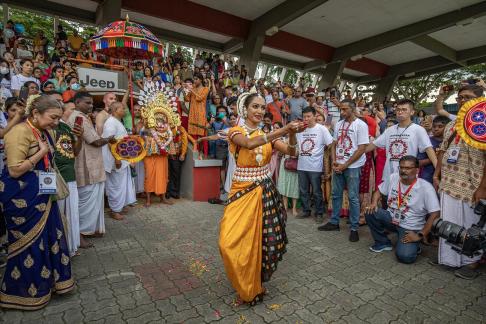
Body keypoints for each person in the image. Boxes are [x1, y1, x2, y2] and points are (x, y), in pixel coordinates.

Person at [219, 91, 305, 305]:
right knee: (228, 242)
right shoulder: (235, 131)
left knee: (260, 241)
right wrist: (282, 129)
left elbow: (292, 152)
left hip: (265, 191)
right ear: (245, 109)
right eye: (255, 107)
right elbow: (249, 145)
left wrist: (292, 133)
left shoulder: (268, 135)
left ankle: (253, 287)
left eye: (262, 107)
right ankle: (246, 283)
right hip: (242, 192)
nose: (259, 111)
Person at [0, 96, 74, 309]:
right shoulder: (18, 132)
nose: (56, 122)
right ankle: (21, 294)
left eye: (58, 118)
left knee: (49, 237)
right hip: (22, 197)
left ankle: (49, 283)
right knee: (28, 245)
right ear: (35, 114)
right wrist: (40, 153)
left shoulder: (44, 131)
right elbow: (14, 170)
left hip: (43, 194)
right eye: (53, 117)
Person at [434, 84, 486, 280]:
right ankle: (450, 260)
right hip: (449, 182)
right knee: (450, 223)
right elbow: (443, 150)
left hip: (472, 185)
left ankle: (471, 262)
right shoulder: (453, 124)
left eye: (467, 97)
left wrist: (483, 188)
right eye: (459, 98)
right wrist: (436, 175)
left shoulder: (483, 123)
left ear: (479, 99)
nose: (462, 101)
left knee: (472, 224)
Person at [365, 156, 440, 264]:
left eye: (408, 168)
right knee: (370, 211)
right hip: (391, 218)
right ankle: (383, 243)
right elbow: (379, 191)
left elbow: (435, 213)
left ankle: (414, 246)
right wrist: (373, 203)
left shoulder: (425, 187)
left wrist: (420, 235)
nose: (404, 170)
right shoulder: (393, 178)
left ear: (417, 170)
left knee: (405, 257)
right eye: (401, 167)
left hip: (410, 226)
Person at [68, 92, 115, 241]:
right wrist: (109, 139)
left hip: (90, 164)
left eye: (91, 103)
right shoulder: (78, 117)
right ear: (77, 102)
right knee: (86, 201)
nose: (91, 105)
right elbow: (94, 141)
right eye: (87, 103)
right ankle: (81, 233)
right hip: (87, 166)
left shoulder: (81, 116)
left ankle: (89, 230)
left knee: (92, 201)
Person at [319, 100, 369, 242]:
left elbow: (361, 149)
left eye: (345, 109)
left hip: (352, 166)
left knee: (353, 197)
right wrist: (335, 161)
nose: (342, 112)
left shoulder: (361, 125)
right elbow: (334, 144)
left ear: (353, 110)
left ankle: (354, 228)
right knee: (336, 194)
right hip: (339, 165)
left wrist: (345, 165)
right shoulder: (339, 124)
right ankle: (334, 222)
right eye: (341, 109)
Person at [365, 99, 437, 184]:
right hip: (389, 176)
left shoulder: (418, 130)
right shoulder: (389, 130)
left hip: (407, 176)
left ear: (412, 112)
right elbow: (373, 145)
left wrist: (438, 171)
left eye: (404, 109)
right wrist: (355, 154)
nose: (400, 112)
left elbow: (429, 149)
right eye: (398, 109)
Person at [51, 97, 85, 256]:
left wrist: (80, 137)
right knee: (58, 216)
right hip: (54, 177)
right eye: (72, 108)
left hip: (70, 176)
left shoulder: (66, 128)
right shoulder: (47, 128)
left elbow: (75, 152)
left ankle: (70, 248)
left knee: (71, 214)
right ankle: (59, 251)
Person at [296, 106, 334, 223]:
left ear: (314, 116)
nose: (306, 119)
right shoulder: (300, 129)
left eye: (308, 116)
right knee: (303, 190)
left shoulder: (321, 129)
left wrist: (329, 159)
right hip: (301, 165)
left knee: (317, 191)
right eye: (304, 116)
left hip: (315, 166)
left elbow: (331, 144)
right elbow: (296, 145)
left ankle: (319, 212)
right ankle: (306, 210)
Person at [102, 102, 137, 220]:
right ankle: (114, 210)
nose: (125, 110)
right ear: (116, 110)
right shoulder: (111, 123)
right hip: (115, 160)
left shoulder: (117, 121)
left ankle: (119, 206)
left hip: (121, 159)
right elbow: (109, 141)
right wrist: (117, 159)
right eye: (123, 108)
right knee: (115, 186)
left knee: (120, 184)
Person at [417, 116, 448, 184]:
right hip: (428, 178)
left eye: (440, 126)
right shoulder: (426, 141)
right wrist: (435, 157)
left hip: (447, 177)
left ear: (448, 127)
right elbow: (419, 162)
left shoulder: (452, 142)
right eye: (434, 126)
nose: (436, 129)